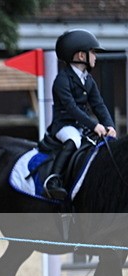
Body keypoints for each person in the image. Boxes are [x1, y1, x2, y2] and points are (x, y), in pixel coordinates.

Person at [43, 29, 117, 200]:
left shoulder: (88, 80)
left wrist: (109, 125)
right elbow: (71, 108)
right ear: (81, 56)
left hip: (81, 126)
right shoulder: (62, 80)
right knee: (73, 141)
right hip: (64, 126)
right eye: (93, 52)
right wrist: (94, 125)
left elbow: (99, 105)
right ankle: (53, 180)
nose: (95, 56)